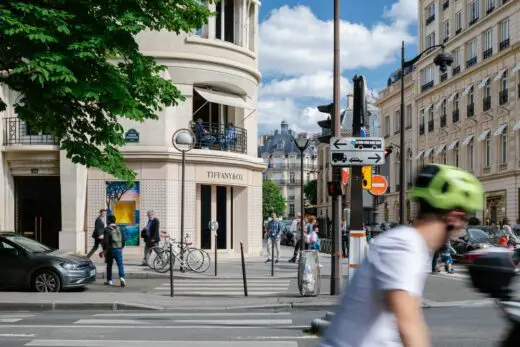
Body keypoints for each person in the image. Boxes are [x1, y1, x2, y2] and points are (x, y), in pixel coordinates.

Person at [319, 164, 483, 347]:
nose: (460, 230)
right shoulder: (403, 245)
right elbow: (409, 324)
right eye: (464, 221)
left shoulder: (411, 245)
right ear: (454, 218)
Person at [102, 215, 126, 287]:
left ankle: (109, 280)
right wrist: (121, 247)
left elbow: (105, 242)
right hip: (118, 249)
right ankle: (122, 278)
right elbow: (123, 240)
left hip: (110, 250)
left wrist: (104, 250)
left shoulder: (107, 229)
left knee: (109, 265)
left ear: (108, 221)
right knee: (120, 264)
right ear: (115, 221)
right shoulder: (120, 228)